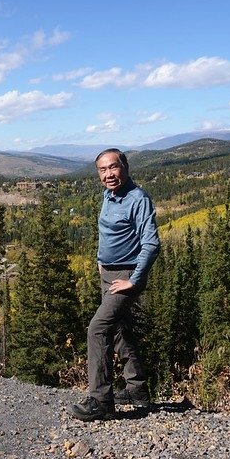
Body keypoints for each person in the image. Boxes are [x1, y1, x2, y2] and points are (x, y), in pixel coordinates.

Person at [70, 148, 161, 421]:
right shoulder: (108, 196)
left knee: (97, 329)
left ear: (125, 166)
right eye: (102, 169)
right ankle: (137, 391)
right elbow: (109, 234)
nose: (108, 174)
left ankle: (101, 401)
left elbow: (151, 243)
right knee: (121, 331)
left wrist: (133, 280)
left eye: (113, 167)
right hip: (108, 274)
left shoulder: (137, 199)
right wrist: (100, 261)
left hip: (126, 276)